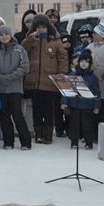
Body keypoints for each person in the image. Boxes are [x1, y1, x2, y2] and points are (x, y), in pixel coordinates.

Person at [21, 14, 68, 144]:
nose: (41, 30)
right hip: (34, 83)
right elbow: (21, 52)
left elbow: (63, 58)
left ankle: (48, 136)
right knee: (37, 110)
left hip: (50, 82)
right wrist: (29, 40)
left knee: (49, 110)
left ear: (48, 28)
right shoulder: (30, 40)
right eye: (38, 27)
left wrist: (61, 74)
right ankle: (38, 135)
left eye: (43, 27)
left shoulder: (55, 40)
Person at [0, 25, 32, 150]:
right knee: (4, 115)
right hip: (1, 88)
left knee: (17, 114)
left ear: (10, 35)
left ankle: (25, 142)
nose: (4, 37)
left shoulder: (19, 50)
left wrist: (11, 76)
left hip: (15, 87)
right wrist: (0, 76)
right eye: (1, 35)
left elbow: (25, 66)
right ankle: (8, 141)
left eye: (6, 34)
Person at [62, 49, 101, 150]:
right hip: (74, 105)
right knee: (74, 124)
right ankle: (74, 142)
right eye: (82, 61)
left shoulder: (93, 78)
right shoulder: (73, 75)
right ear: (78, 62)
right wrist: (64, 102)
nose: (84, 64)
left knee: (87, 124)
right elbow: (66, 90)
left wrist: (96, 106)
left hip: (87, 106)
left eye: (86, 62)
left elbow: (97, 93)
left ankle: (89, 142)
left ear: (90, 64)